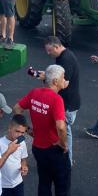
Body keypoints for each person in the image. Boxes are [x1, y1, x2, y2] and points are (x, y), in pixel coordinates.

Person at [13, 65, 84, 196]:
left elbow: (16, 109)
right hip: (55, 151)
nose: (64, 79)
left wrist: (28, 130)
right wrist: (63, 144)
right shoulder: (56, 99)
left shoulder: (34, 93)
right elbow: (61, 126)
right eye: (62, 77)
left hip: (38, 148)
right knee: (62, 190)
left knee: (44, 187)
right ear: (55, 81)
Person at [42, 36, 81, 164]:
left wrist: (46, 79)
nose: (48, 54)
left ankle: (67, 161)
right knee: (63, 130)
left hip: (67, 105)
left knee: (64, 131)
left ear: (57, 46)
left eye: (50, 50)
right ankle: (64, 159)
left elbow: (63, 83)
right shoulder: (64, 56)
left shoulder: (65, 60)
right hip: (70, 103)